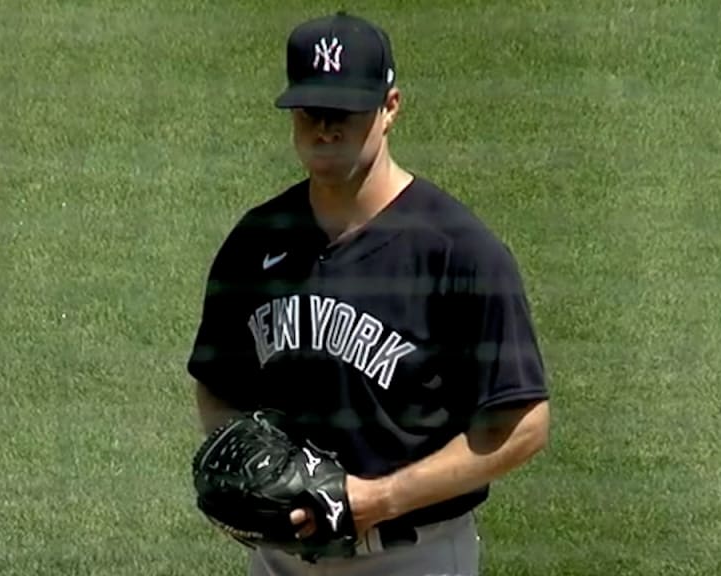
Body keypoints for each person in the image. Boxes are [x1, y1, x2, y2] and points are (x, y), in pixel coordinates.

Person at [187, 10, 551, 576]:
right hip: (281, 560)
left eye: (345, 111)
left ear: (390, 108)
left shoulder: (456, 251)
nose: (326, 128)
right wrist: (252, 472)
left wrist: (378, 500)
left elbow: (524, 422)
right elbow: (216, 385)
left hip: (412, 556)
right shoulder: (256, 241)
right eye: (311, 112)